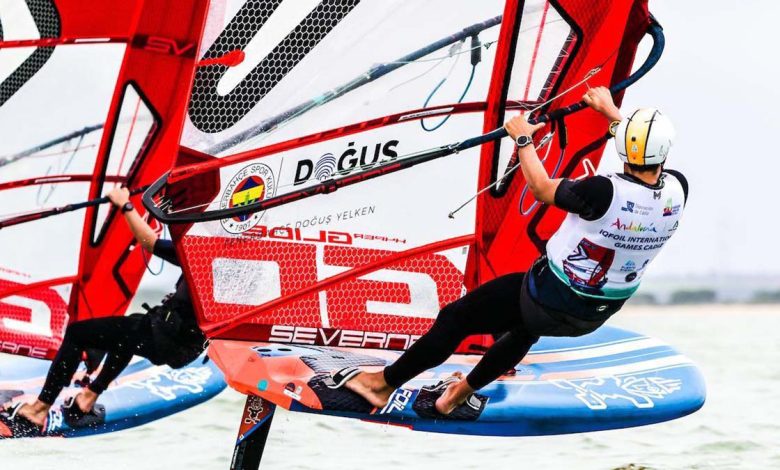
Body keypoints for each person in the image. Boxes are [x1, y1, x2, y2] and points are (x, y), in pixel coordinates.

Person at [332, 87, 688, 416]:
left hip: (548, 296)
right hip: (594, 314)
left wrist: (522, 139)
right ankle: (454, 396)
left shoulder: (602, 191)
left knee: (456, 318)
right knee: (524, 328)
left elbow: (542, 189)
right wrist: (611, 113)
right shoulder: (678, 190)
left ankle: (381, 385)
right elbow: (644, 160)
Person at [2, 187, 205, 435]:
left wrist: (124, 204)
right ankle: (88, 397)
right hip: (186, 346)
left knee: (78, 333)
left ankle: (38, 410)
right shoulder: (228, 258)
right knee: (129, 331)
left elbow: (148, 242)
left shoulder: (200, 252)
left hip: (163, 336)